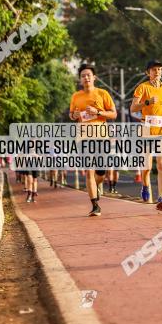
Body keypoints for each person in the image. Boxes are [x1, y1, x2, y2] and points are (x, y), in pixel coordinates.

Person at [69, 63, 117, 217]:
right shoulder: (76, 96)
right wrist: (74, 116)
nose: (86, 78)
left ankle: (96, 185)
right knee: (89, 171)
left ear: (94, 77)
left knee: (101, 173)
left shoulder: (102, 94)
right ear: (80, 79)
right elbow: (71, 115)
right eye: (83, 76)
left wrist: (97, 111)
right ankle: (95, 205)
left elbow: (113, 114)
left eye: (88, 75)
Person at [130, 60, 162, 211]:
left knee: (161, 164)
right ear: (147, 72)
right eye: (153, 70)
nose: (157, 72)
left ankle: (161, 197)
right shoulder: (142, 88)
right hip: (146, 129)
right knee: (147, 167)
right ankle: (145, 185)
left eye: (159, 69)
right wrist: (147, 102)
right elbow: (132, 108)